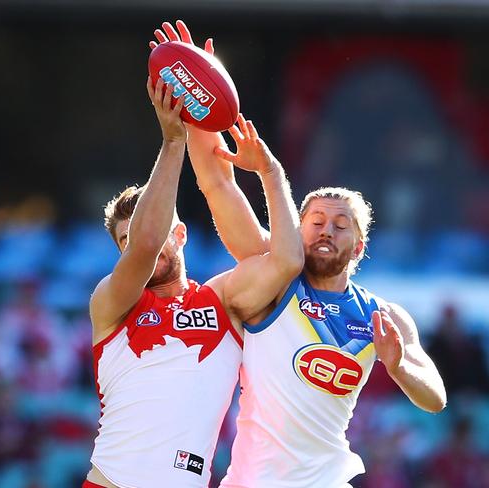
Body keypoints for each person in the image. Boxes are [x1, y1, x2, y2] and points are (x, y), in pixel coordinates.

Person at [153, 21, 447, 488]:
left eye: (340, 225)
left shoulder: (381, 317)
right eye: (314, 223)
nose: (325, 232)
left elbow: (435, 399)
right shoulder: (274, 277)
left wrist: (398, 366)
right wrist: (196, 100)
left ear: (360, 245)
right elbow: (219, 183)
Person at [83, 65, 304, 487]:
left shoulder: (222, 300)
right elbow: (146, 245)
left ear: (181, 234)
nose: (137, 246)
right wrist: (172, 140)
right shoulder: (113, 303)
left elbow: (286, 262)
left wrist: (206, 111)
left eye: (153, 231)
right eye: (123, 241)